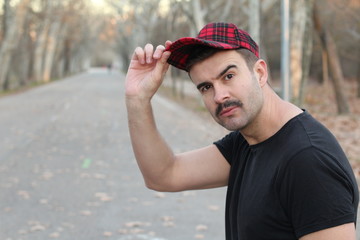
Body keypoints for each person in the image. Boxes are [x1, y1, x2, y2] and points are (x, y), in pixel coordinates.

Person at [125, 22, 359, 240]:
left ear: (259, 73)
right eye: (206, 87)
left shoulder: (308, 160)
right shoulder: (246, 142)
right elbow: (164, 175)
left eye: (228, 76)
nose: (219, 96)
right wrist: (138, 100)